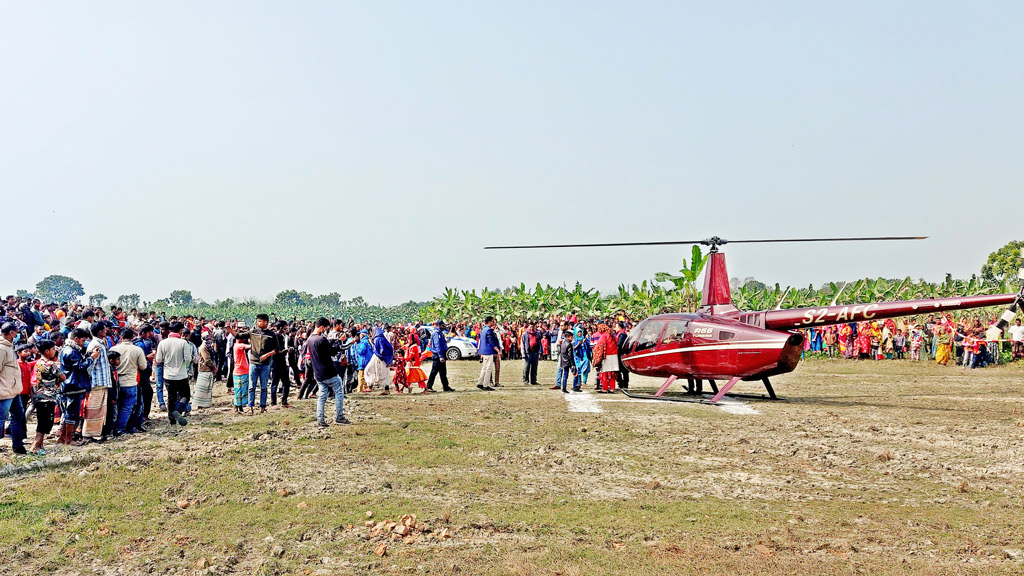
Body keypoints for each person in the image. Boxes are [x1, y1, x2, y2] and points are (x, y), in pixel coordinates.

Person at [307, 318, 349, 426]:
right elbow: (332, 351)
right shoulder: (321, 340)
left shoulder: (310, 339)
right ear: (321, 327)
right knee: (339, 392)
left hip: (318, 373)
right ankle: (339, 416)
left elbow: (326, 346)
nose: (325, 330)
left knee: (322, 396)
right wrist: (339, 341)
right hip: (329, 372)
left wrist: (333, 340)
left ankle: (320, 419)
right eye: (325, 328)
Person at [59, 327, 96, 445]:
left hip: (70, 384)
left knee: (69, 412)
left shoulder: (68, 349)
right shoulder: (72, 351)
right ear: (76, 339)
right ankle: (69, 440)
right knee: (72, 413)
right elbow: (80, 366)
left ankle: (62, 438)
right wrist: (91, 358)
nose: (84, 342)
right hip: (74, 385)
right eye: (83, 340)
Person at [154, 321, 195, 426]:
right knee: (185, 395)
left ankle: (171, 419)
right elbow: (187, 359)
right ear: (180, 331)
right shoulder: (183, 343)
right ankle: (178, 410)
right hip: (181, 374)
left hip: (168, 374)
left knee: (171, 396)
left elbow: (158, 359)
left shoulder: (163, 343)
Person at [110, 328, 147, 435]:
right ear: (132, 337)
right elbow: (143, 366)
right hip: (130, 382)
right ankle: (122, 428)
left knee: (118, 407)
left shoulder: (113, 348)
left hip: (116, 382)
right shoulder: (137, 349)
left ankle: (115, 428)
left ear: (121, 337)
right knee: (128, 407)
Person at [30, 340, 64, 453]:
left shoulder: (38, 362)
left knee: (42, 420)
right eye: (53, 349)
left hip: (39, 395)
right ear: (47, 351)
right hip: (48, 396)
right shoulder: (50, 364)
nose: (55, 351)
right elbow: (63, 377)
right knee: (45, 422)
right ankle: (36, 446)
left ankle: (40, 445)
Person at [0, 322, 27, 454]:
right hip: (4, 392)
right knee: (1, 419)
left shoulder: (9, 347)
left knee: (18, 416)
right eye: (16, 332)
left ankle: (18, 445)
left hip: (14, 390)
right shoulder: (1, 349)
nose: (18, 334)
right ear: (11, 333)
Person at [84, 323, 113, 441]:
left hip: (102, 381)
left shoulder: (101, 343)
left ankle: (96, 433)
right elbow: (90, 366)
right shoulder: (96, 345)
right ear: (100, 331)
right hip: (97, 382)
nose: (106, 331)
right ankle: (88, 434)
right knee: (93, 409)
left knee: (100, 410)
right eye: (104, 330)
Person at [247, 314, 278, 412]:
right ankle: (250, 407)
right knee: (252, 386)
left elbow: (277, 348)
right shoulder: (253, 332)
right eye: (257, 321)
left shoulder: (271, 334)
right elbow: (240, 336)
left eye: (260, 321)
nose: (258, 323)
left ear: (265, 322)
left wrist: (267, 355)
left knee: (263, 387)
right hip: (253, 362)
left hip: (265, 364)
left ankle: (263, 406)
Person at [364, 326, 393, 395]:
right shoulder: (382, 338)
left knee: (368, 370)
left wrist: (372, 343)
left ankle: (370, 386)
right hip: (383, 358)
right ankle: (385, 389)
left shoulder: (377, 339)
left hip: (378, 357)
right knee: (384, 373)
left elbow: (378, 349)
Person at [426, 321, 454, 392]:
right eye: (442, 325)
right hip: (437, 355)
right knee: (434, 372)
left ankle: (446, 386)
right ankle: (429, 386)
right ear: (438, 325)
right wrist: (440, 356)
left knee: (443, 372)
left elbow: (441, 343)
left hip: (441, 354)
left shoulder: (439, 332)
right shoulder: (436, 333)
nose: (443, 326)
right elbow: (437, 345)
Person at [194, 331, 217, 409]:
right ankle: (201, 404)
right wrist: (213, 367)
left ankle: (204, 403)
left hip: (206, 369)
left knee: (206, 387)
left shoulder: (207, 346)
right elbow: (207, 360)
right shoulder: (203, 347)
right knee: (203, 387)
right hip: (205, 369)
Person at [475, 316, 498, 391]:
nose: (494, 323)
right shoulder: (489, 330)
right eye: (493, 321)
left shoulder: (484, 329)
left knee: (484, 367)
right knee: (488, 368)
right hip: (488, 351)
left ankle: (480, 383)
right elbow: (491, 342)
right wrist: (498, 350)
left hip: (483, 351)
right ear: (489, 322)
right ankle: (486, 384)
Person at [232, 332, 251, 414]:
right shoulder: (239, 346)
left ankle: (239, 406)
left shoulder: (237, 346)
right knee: (239, 390)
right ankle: (237, 406)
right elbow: (250, 347)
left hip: (242, 370)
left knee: (241, 390)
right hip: (240, 371)